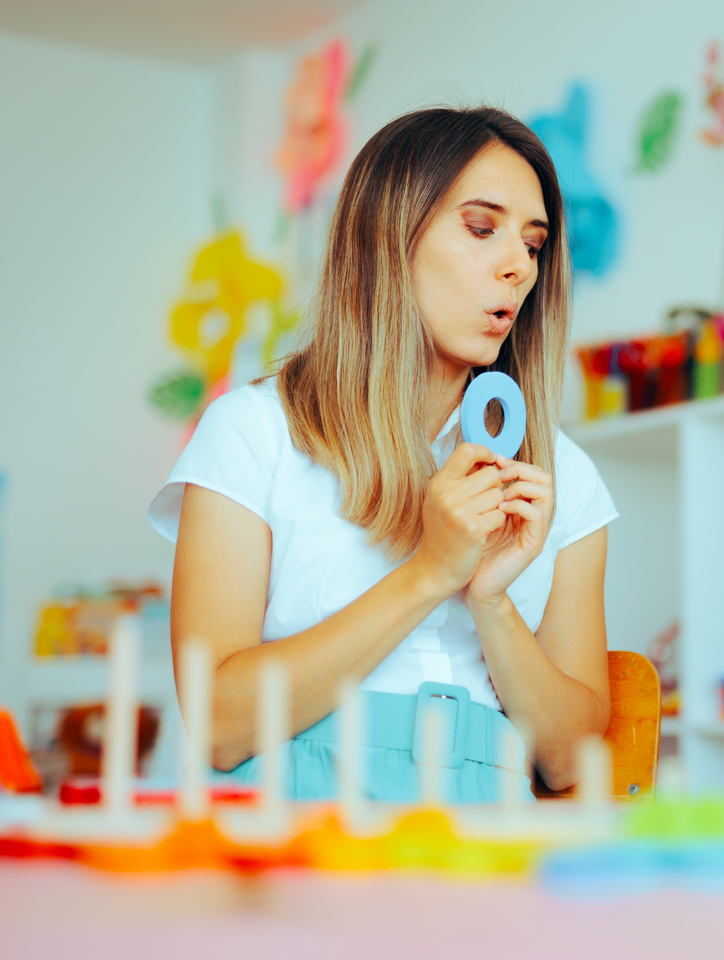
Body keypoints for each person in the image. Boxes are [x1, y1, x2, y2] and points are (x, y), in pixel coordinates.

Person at [148, 107, 617, 803]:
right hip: (291, 831)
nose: (519, 265)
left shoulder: (562, 474)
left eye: (534, 243)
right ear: (387, 236)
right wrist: (431, 571)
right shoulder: (253, 430)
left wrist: (490, 600)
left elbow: (573, 762)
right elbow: (220, 726)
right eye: (482, 228)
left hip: (487, 838)